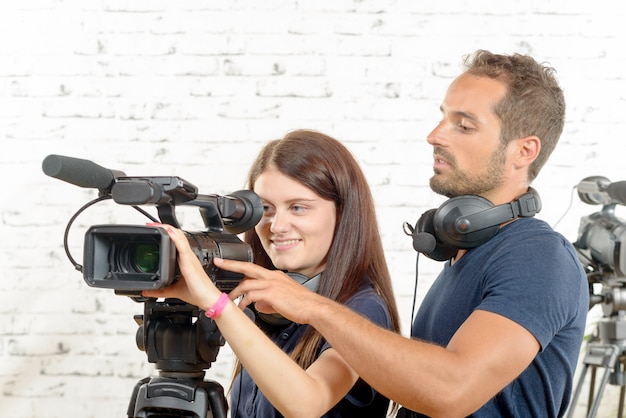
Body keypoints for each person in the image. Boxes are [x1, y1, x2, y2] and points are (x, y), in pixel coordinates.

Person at [216, 50, 589, 417]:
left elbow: (452, 391)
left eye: (463, 125)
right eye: (442, 118)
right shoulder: (467, 253)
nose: (435, 135)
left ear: (523, 151)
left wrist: (311, 306)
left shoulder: (538, 256)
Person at [143, 129, 401, 417]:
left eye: (298, 208)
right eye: (265, 208)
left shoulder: (363, 308)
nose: (276, 226)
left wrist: (218, 306)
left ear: (343, 213)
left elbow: (308, 404)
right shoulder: (266, 304)